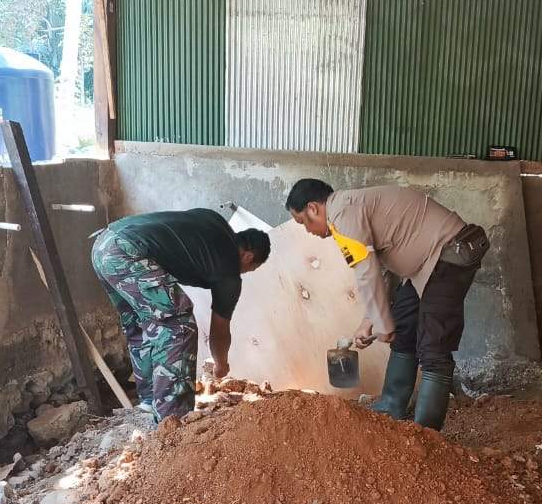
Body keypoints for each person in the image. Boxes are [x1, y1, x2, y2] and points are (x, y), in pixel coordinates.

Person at [285, 180, 488, 430]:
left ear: (313, 208)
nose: (307, 229)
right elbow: (381, 270)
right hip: (426, 265)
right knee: (404, 326)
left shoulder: (343, 213)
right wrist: (370, 321)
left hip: (450, 252)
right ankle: (391, 406)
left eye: (302, 221)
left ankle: (425, 433)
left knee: (434, 346)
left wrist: (382, 322)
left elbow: (365, 271)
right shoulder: (347, 210)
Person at [91, 209, 270, 420]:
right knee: (178, 326)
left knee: (141, 323)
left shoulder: (215, 221)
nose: (243, 274)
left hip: (104, 245)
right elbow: (220, 331)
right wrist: (221, 365)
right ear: (248, 256)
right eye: (250, 269)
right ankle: (173, 420)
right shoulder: (229, 271)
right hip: (129, 252)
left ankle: (149, 401)